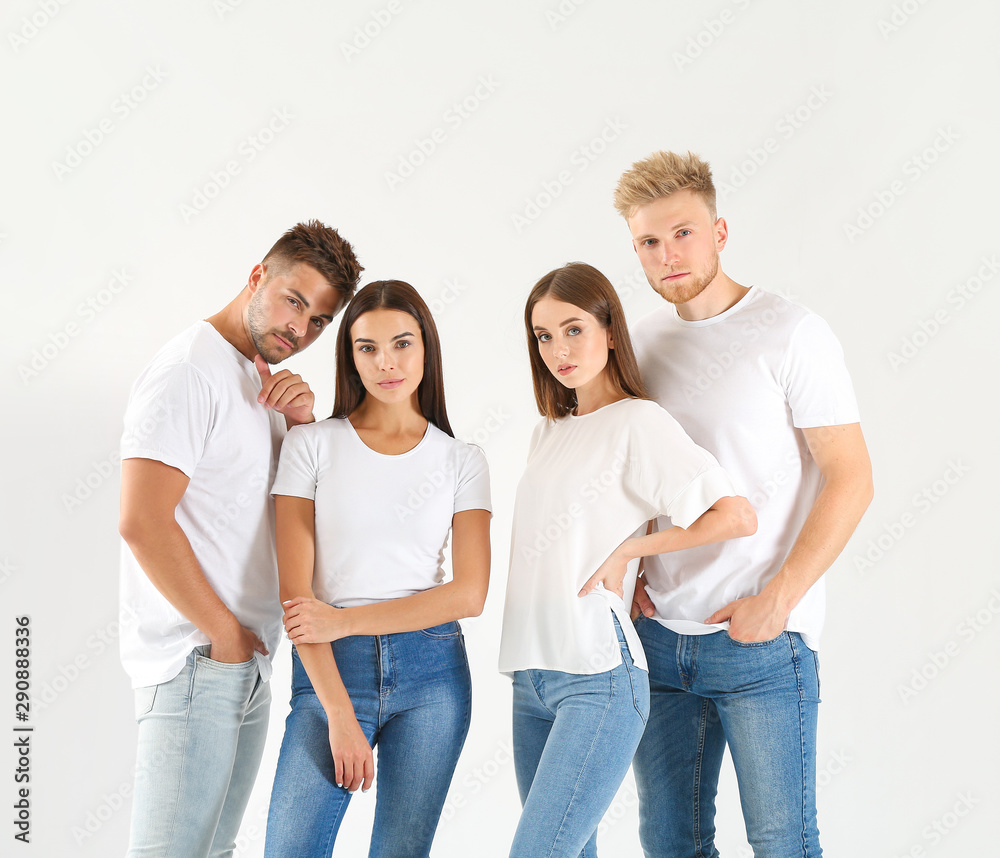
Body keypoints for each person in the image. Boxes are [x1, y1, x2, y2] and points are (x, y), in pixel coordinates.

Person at [614, 150, 874, 857]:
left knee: (783, 844)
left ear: (720, 232)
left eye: (683, 233)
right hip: (661, 644)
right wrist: (632, 570)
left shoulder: (792, 333)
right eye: (648, 242)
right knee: (671, 845)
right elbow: (637, 472)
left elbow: (851, 477)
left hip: (762, 642)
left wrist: (780, 596)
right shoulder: (640, 345)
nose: (668, 255)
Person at [118, 220, 363, 858]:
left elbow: (307, 522)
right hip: (196, 658)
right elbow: (142, 521)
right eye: (293, 301)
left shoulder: (258, 383)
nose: (300, 328)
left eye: (318, 320)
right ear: (258, 276)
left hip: (246, 661)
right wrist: (223, 636)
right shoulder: (190, 372)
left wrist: (304, 426)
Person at [499, 262, 757, 858]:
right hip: (532, 676)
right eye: (542, 336)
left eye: (573, 329)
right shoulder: (550, 430)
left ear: (610, 330)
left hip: (598, 675)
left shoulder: (640, 422)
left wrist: (631, 549)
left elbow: (734, 516)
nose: (558, 350)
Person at [263, 280, 492, 858]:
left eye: (401, 343)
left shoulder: (462, 461)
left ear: (426, 349)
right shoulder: (310, 444)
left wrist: (342, 622)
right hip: (329, 676)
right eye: (367, 348)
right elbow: (297, 600)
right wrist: (340, 714)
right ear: (350, 357)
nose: (385, 362)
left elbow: (469, 595)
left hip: (433, 673)